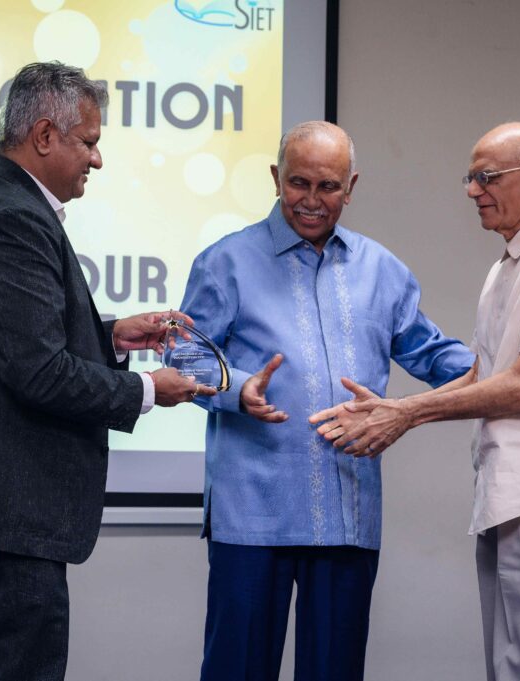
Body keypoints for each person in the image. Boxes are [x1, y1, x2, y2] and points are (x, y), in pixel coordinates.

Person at [0, 61, 207, 681]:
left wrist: (110, 336)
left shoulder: (5, 205)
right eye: (89, 142)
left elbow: (16, 342)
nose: (98, 159)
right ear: (44, 135)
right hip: (3, 505)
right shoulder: (8, 217)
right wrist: (147, 389)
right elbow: (38, 371)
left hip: (2, 505)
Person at [310, 122, 520, 681]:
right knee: (511, 669)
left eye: (488, 177)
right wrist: (393, 410)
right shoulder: (507, 267)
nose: (473, 190)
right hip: (507, 496)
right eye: (470, 177)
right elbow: (484, 374)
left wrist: (406, 414)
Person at [178, 120, 474, 681]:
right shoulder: (225, 261)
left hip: (346, 515)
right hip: (253, 515)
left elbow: (432, 353)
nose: (312, 200)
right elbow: (182, 355)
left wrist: (503, 373)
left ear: (351, 186)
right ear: (276, 178)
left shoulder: (382, 270)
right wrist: (238, 389)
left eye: (328, 187)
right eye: (299, 183)